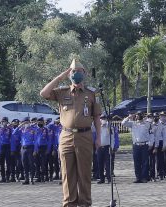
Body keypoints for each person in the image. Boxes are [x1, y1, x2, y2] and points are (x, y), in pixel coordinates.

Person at [40, 59, 101, 207]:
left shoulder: (92, 94)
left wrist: (98, 137)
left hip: (85, 136)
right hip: (66, 136)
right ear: (69, 74)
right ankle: (69, 203)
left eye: (79, 71)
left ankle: (85, 202)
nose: (76, 74)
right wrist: (60, 77)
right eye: (73, 71)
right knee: (67, 173)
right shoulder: (62, 92)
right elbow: (43, 93)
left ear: (84, 74)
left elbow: (97, 117)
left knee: (85, 172)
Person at [122, 111, 153, 183]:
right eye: (137, 115)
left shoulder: (147, 124)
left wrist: (151, 144)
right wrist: (129, 117)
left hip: (144, 145)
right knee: (137, 162)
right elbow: (123, 123)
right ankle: (138, 177)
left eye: (139, 115)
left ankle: (144, 177)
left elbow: (151, 134)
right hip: (136, 145)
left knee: (145, 162)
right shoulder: (133, 124)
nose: (138, 116)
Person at [12, 117, 36, 185]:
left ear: (29, 122)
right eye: (25, 122)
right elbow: (14, 133)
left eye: (27, 122)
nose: (26, 124)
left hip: (31, 148)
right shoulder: (21, 130)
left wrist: (35, 150)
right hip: (23, 148)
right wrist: (20, 125)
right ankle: (26, 179)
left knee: (31, 163)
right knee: (24, 164)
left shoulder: (33, 130)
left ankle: (31, 178)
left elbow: (36, 140)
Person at [97, 115, 114, 184]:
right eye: (101, 119)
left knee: (108, 164)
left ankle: (109, 178)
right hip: (99, 148)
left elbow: (112, 138)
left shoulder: (109, 127)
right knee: (100, 164)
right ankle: (102, 178)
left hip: (107, 147)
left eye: (104, 118)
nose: (102, 120)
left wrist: (112, 147)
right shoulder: (97, 127)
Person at [34, 117, 51, 182]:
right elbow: (34, 140)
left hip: (44, 147)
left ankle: (44, 177)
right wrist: (35, 150)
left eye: (41, 122)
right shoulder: (35, 130)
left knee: (43, 163)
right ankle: (38, 177)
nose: (40, 123)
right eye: (39, 122)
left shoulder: (46, 130)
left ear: (43, 122)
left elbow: (49, 140)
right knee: (37, 163)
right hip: (37, 148)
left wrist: (48, 149)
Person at [0, 117, 12, 183]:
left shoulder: (9, 129)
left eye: (5, 121)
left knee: (8, 163)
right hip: (1, 147)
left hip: (7, 147)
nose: (4, 122)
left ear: (7, 122)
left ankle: (7, 177)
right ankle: (3, 177)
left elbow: (12, 139)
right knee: (1, 163)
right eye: (3, 121)